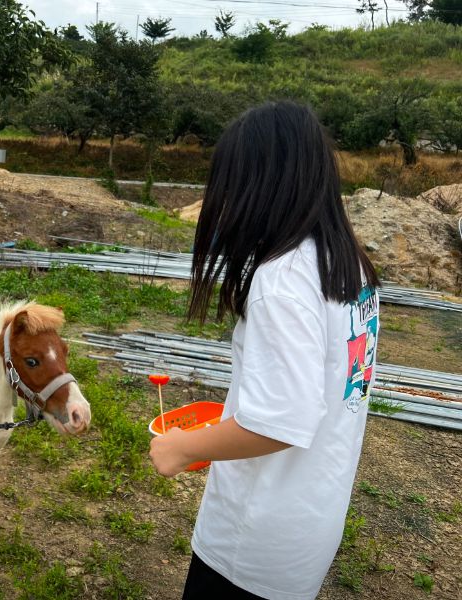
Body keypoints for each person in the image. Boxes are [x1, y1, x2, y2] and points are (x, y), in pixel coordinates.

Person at [149, 101, 380, 600]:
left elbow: (278, 422)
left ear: (261, 184)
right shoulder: (350, 267)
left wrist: (181, 448)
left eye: (231, 182)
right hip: (310, 520)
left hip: (251, 543)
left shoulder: (282, 280)